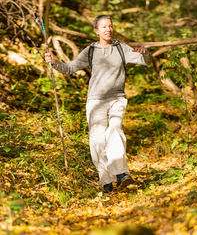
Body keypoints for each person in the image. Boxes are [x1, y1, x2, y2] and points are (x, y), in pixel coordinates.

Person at [45, 15, 152, 193]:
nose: (108, 29)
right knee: (97, 140)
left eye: (110, 26)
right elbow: (70, 68)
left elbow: (145, 61)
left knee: (115, 130)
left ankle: (122, 174)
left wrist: (145, 52)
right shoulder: (90, 51)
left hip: (117, 98)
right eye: (104, 27)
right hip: (95, 101)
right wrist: (55, 63)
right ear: (96, 31)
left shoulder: (121, 48)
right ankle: (105, 180)